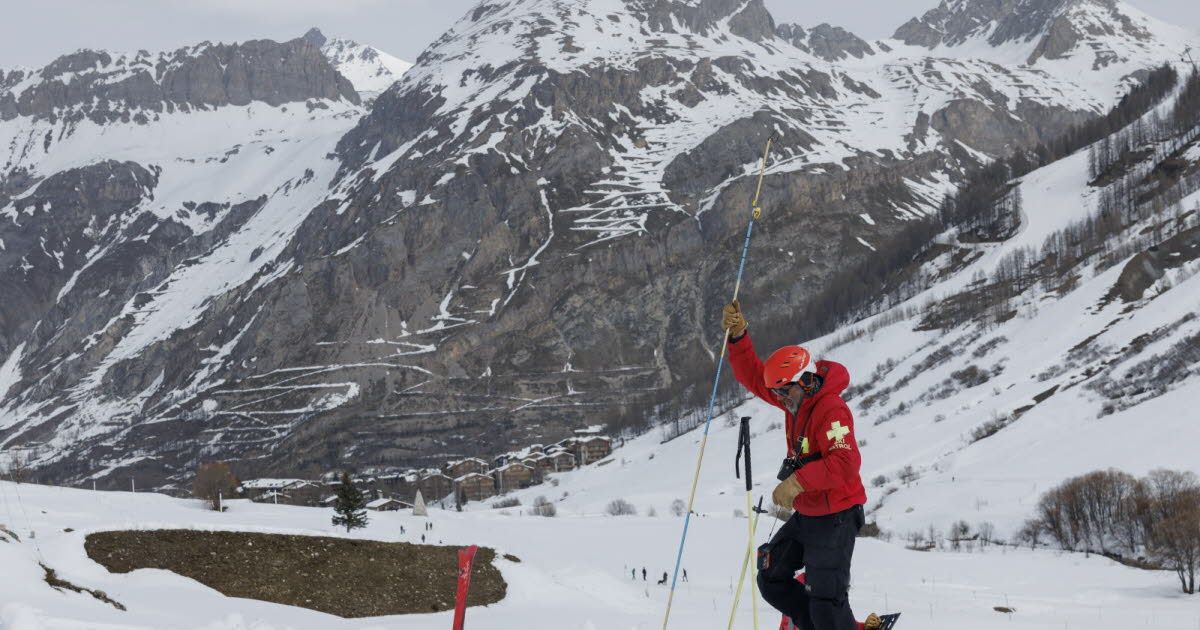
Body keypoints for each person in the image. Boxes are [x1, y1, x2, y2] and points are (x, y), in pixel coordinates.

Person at [721, 301, 881, 630]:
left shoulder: (830, 410)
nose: (778, 398)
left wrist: (797, 483)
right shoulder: (795, 401)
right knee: (771, 575)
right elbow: (755, 378)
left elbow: (846, 462)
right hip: (809, 512)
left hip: (836, 515)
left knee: (826, 600)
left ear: (804, 381)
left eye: (783, 391)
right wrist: (738, 338)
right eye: (777, 392)